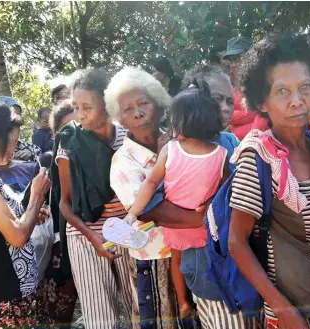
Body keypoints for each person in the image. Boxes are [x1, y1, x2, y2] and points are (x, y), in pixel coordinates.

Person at [108, 65, 258, 329]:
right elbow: (150, 205)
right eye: (216, 99)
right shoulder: (172, 148)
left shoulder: (228, 144)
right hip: (184, 255)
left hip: (221, 253)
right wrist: (208, 216)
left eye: (229, 101)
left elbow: (234, 192)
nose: (224, 107)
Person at [229, 33, 310, 329]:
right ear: (262, 102)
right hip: (297, 314)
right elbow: (236, 242)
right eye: (282, 91)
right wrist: (283, 310)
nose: (297, 101)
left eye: (305, 87)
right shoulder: (259, 159)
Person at [124, 80, 229, 319]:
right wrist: (211, 201)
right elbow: (225, 189)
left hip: (175, 225)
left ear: (179, 121)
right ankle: (204, 305)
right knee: (205, 270)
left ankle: (183, 302)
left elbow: (150, 183)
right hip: (203, 228)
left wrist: (132, 213)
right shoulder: (221, 154)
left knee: (177, 259)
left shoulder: (170, 150)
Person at [53, 68, 132, 329]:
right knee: (100, 316)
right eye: (76, 106)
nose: (80, 114)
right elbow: (64, 203)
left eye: (87, 106)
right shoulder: (70, 142)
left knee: (138, 308)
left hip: (127, 231)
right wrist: (93, 237)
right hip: (85, 237)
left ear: (109, 105)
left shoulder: (128, 138)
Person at [105, 66, 181, 328]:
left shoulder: (181, 141)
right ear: (121, 119)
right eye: (128, 110)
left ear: (159, 106)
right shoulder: (122, 161)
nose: (137, 113)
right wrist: (200, 216)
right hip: (155, 257)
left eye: (143, 103)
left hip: (192, 251)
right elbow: (151, 211)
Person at [0, 100, 51, 328]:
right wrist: (37, 196)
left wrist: (31, 215)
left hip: (8, 289)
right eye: (13, 143)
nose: (14, 150)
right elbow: (16, 236)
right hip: (1, 292)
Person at [222, 36, 269, 140]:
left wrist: (250, 142)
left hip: (257, 144)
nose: (234, 64)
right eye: (232, 60)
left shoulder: (262, 80)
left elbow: (262, 115)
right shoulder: (230, 84)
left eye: (238, 58)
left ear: (251, 57)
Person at [0, 96, 42, 162]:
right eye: (12, 116)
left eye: (18, 114)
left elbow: (42, 159)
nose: (18, 118)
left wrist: (31, 155)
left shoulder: (25, 145)